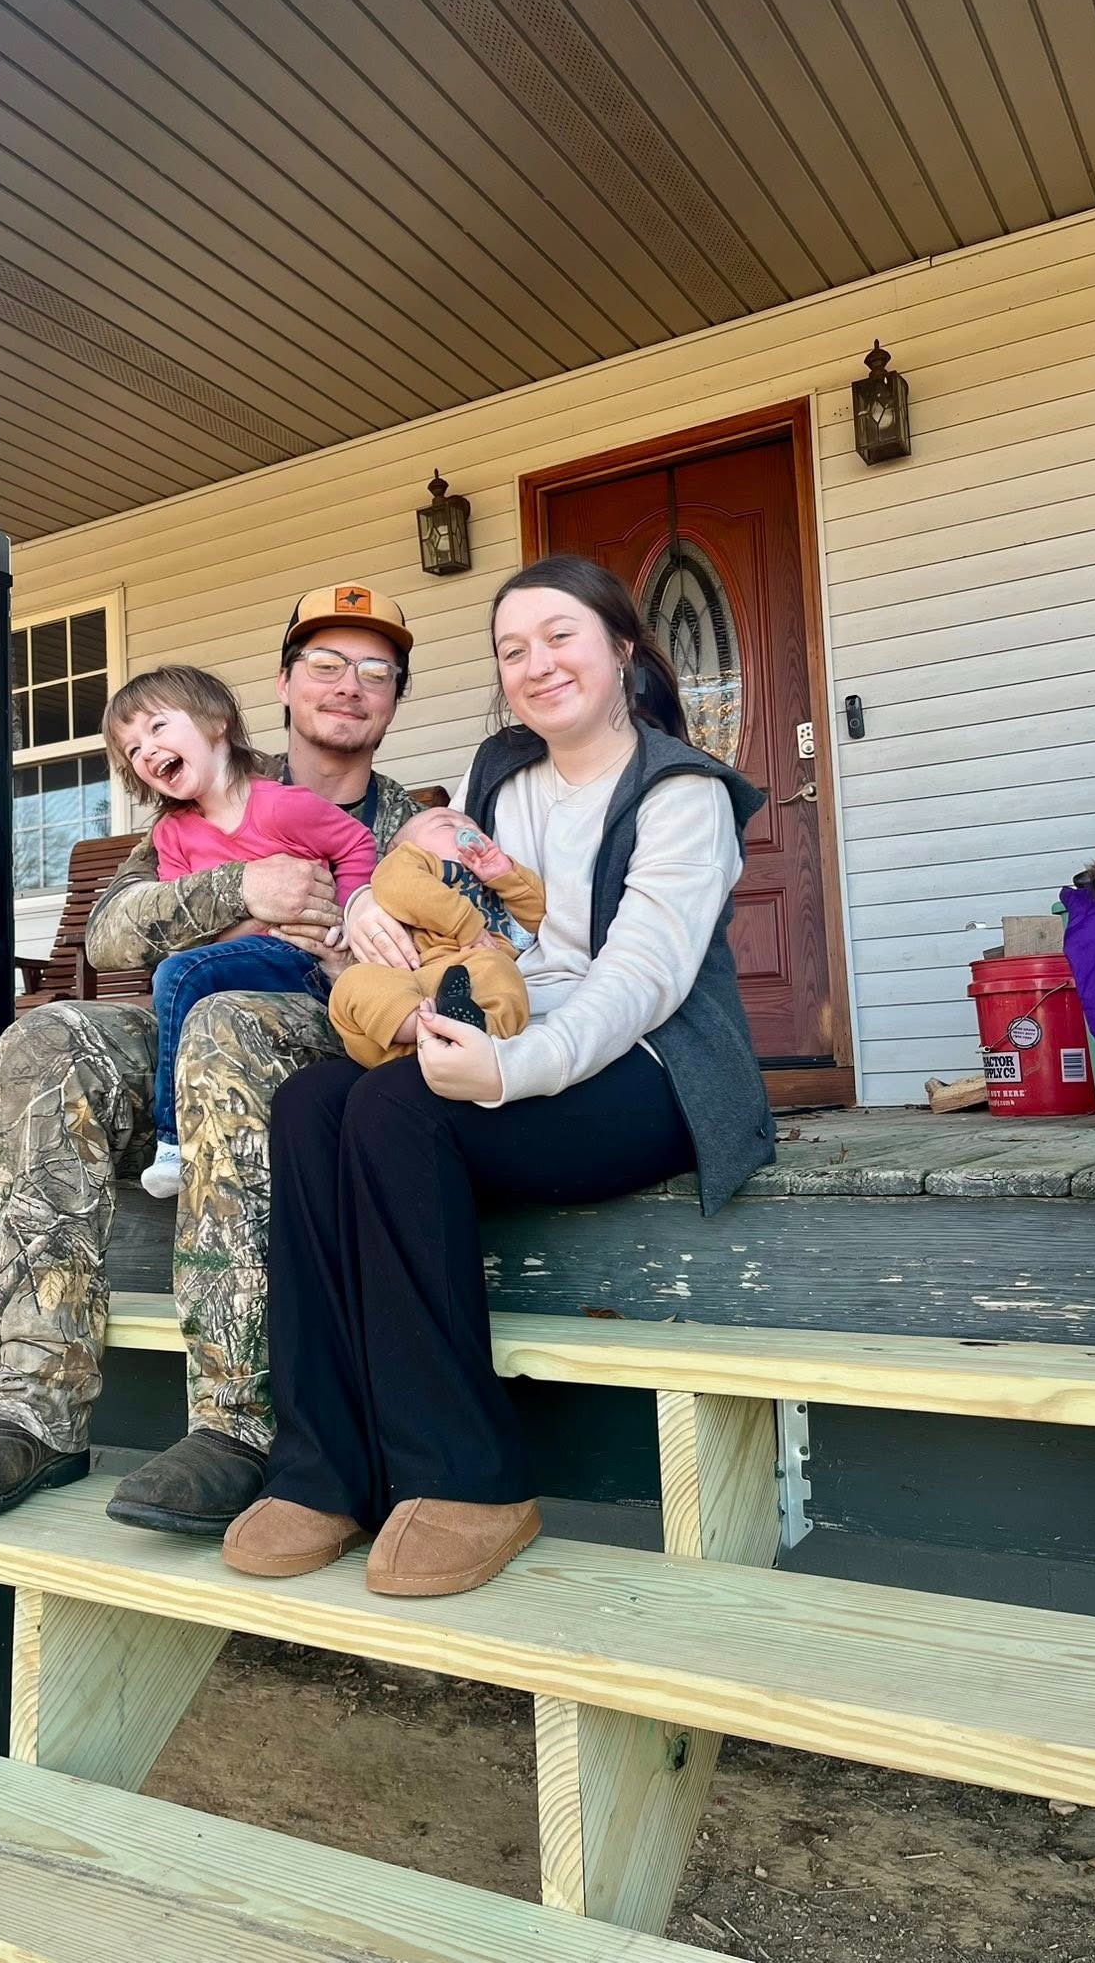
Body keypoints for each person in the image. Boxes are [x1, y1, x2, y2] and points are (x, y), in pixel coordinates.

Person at [222, 554, 777, 1596]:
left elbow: (641, 983)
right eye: (512, 649)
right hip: (506, 1025)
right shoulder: (502, 774)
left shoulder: (682, 792)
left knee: (396, 1108)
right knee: (310, 1103)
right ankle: (322, 1468)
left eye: (561, 636)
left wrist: (511, 1069)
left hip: (650, 1069)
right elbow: (454, 903)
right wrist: (374, 911)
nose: (537, 664)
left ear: (621, 650)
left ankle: (468, 1478)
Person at [0, 584, 418, 1528]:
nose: (350, 685)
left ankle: (237, 1423)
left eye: (376, 671)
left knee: (224, 1022)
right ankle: (32, 1408)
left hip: (331, 1045)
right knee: (46, 1038)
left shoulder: (407, 825)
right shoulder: (201, 799)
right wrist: (240, 889)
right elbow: (111, 933)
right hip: (192, 1024)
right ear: (282, 686)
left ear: (394, 698)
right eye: (326, 664)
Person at [103, 664, 377, 1196]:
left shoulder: (282, 805)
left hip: (303, 962)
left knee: (177, 976)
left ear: (216, 723)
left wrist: (348, 916)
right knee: (181, 972)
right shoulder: (172, 835)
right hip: (236, 964)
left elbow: (355, 844)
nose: (147, 750)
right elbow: (187, 935)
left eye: (157, 727)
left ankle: (170, 1140)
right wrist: (249, 923)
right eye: (132, 750)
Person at [327, 808, 544, 1066]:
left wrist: (506, 876)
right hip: (407, 980)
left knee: (501, 970)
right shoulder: (411, 862)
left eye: (474, 827)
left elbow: (534, 919)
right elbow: (399, 884)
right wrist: (465, 923)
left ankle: (478, 1028)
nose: (467, 830)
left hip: (472, 985)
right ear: (400, 848)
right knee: (355, 981)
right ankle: (422, 1023)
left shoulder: (493, 888)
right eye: (446, 825)